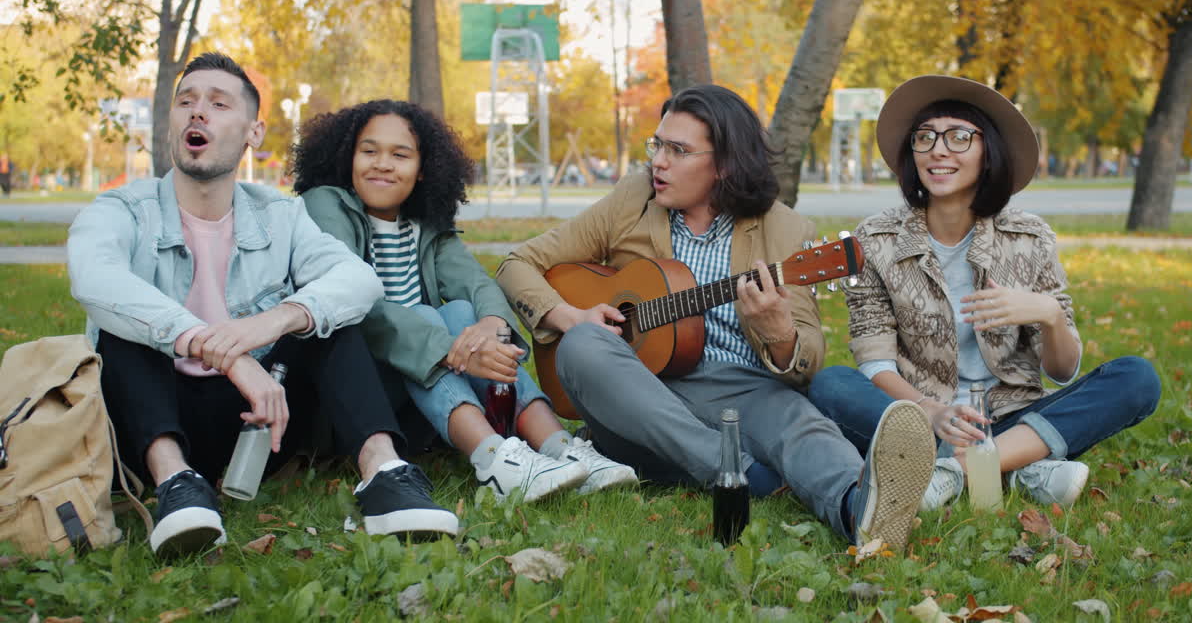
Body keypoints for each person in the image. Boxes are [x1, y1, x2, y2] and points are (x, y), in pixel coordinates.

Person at [496, 84, 936, 550]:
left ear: (724, 163)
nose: (658, 162)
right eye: (657, 145)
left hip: (741, 390)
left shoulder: (784, 229)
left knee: (800, 426)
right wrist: (568, 316)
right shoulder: (634, 199)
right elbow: (516, 264)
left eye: (678, 150)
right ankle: (739, 471)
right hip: (639, 395)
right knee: (583, 346)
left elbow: (807, 357)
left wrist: (780, 333)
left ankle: (861, 509)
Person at [67, 53, 458, 557]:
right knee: (126, 326)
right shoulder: (122, 209)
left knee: (325, 319)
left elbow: (357, 281)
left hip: (260, 421)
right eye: (186, 101)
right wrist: (220, 351)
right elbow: (95, 277)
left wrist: (270, 324)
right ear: (172, 122)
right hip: (149, 419)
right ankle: (176, 486)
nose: (197, 112)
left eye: (218, 103)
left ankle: (385, 474)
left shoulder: (280, 214)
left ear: (254, 132)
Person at [808, 75, 1161, 511]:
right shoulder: (877, 240)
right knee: (830, 383)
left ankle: (954, 471)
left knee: (1137, 378)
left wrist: (1048, 313)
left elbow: (1063, 371)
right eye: (925, 137)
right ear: (912, 153)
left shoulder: (1029, 239)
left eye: (959, 137)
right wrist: (931, 411)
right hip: (923, 417)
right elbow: (874, 357)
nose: (938, 149)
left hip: (1015, 415)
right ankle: (1027, 467)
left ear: (988, 153)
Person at [293, 100, 636, 503]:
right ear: (347, 158)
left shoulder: (426, 223)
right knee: (424, 313)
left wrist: (491, 324)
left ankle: (561, 448)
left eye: (400, 155)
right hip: (359, 393)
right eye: (369, 151)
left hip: (424, 391)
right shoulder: (326, 205)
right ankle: (493, 460)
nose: (382, 164)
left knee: (462, 311)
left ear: (422, 170)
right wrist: (453, 353)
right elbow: (357, 307)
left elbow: (477, 283)